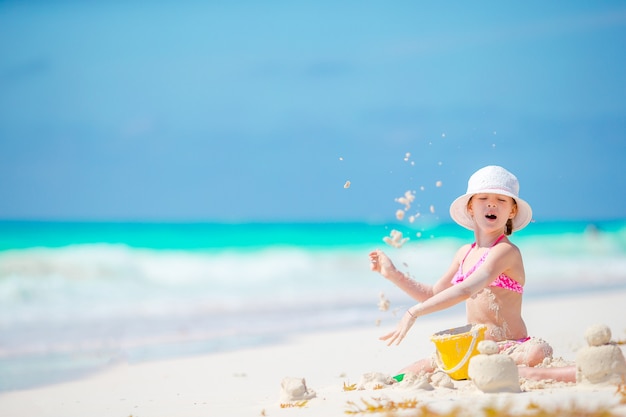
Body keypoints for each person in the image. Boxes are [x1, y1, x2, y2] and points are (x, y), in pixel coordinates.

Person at [369, 165, 575, 382]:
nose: (492, 203)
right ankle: (474, 370)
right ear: (470, 207)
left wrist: (413, 312)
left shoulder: (505, 251)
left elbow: (466, 289)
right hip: (471, 348)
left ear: (512, 211)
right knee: (412, 370)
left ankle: (529, 372)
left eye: (502, 200)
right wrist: (393, 274)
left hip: (509, 347)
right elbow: (433, 294)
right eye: (483, 197)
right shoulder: (464, 254)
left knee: (538, 352)